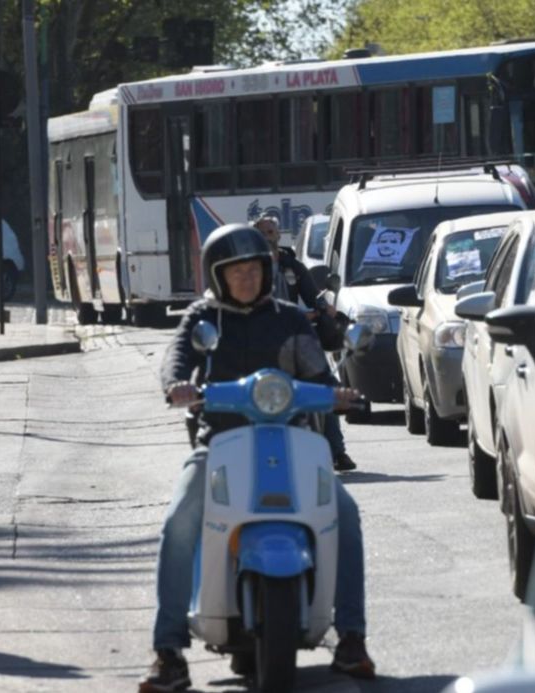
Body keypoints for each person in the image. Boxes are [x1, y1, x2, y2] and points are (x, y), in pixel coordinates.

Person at [141, 224, 375, 692]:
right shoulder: (202, 316)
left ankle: (351, 637)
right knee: (180, 521)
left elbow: (315, 369)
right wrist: (177, 386)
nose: (246, 279)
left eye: (254, 269)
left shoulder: (288, 317)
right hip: (219, 441)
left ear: (268, 271)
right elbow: (178, 359)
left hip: (290, 440)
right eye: (235, 271)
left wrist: (339, 395)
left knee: (344, 515)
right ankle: (168, 652)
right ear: (216, 275)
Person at [253, 215, 357, 472]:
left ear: (279, 235)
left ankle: (337, 452)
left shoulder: (292, 265)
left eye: (272, 231)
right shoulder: (248, 269)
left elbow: (313, 296)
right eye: (264, 232)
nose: (269, 236)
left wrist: (327, 310)